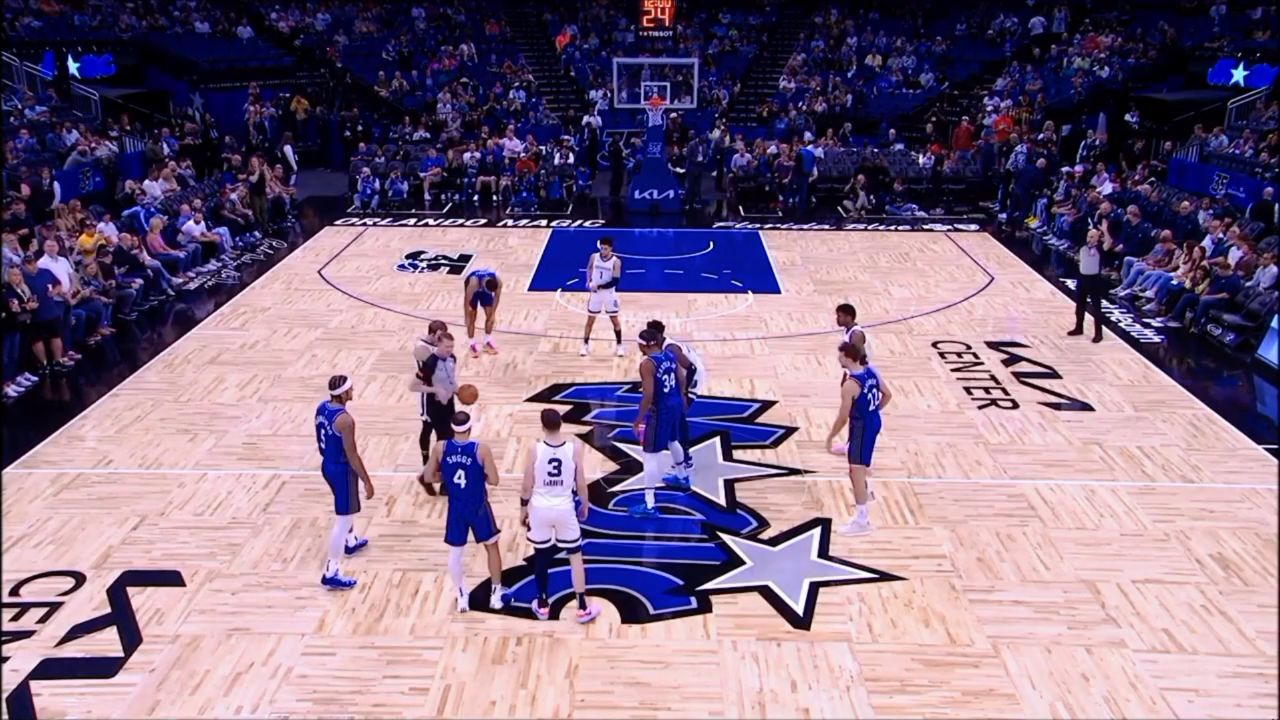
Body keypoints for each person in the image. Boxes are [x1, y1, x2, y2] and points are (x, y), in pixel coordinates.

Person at [520, 408, 600, 623]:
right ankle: (582, 607)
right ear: (560, 424)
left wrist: (523, 509)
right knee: (575, 556)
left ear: (543, 426)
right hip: (565, 508)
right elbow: (580, 482)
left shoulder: (534, 449)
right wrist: (585, 504)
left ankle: (542, 605)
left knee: (541, 556)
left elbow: (527, 485)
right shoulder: (574, 449)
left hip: (540, 509)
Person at [422, 410, 506, 613]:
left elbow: (428, 477)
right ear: (470, 427)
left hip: (456, 507)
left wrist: (445, 477)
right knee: (492, 547)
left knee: (455, 553)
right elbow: (494, 480)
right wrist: (478, 476)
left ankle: (461, 596)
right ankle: (495, 595)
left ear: (452, 428)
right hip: (478, 506)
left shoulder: (441, 448)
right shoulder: (481, 450)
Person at [823, 341, 891, 536]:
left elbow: (843, 417)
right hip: (873, 422)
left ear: (847, 357)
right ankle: (867, 493)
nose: (838, 358)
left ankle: (862, 521)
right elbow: (887, 395)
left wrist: (830, 437)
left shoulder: (850, 385)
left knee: (856, 472)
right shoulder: (871, 371)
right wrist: (872, 411)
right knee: (860, 466)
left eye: (840, 355)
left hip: (862, 428)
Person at [314, 374, 375, 590]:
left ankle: (350, 541)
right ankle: (331, 571)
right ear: (344, 393)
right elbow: (352, 454)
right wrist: (366, 480)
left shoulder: (322, 408)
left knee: (345, 508)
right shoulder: (346, 420)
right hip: (341, 470)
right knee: (343, 518)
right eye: (350, 389)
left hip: (327, 465)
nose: (353, 391)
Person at [629, 328, 691, 516]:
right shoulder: (670, 355)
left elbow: (648, 395)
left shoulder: (647, 364)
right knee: (673, 440)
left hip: (661, 410)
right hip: (675, 404)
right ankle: (682, 477)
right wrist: (681, 396)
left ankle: (649, 504)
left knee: (649, 455)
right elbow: (682, 378)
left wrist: (638, 420)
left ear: (643, 345)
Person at [646, 319, 703, 484]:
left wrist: (684, 393)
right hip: (683, 378)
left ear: (659, 335)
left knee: (679, 416)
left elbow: (692, 369)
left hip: (694, 378)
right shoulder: (660, 347)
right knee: (677, 415)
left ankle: (686, 459)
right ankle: (684, 457)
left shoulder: (670, 348)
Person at [409, 324, 456, 495]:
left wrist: (458, 391)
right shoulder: (428, 357)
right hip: (432, 403)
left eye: (451, 347)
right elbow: (414, 385)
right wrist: (436, 390)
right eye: (446, 346)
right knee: (442, 442)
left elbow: (450, 378)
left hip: (448, 402)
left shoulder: (451, 358)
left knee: (447, 442)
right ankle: (431, 475)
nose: (449, 350)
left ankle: (436, 479)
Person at [580, 237, 624, 356]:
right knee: (590, 320)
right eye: (602, 248)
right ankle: (585, 345)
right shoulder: (594, 257)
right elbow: (589, 268)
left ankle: (619, 346)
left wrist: (598, 286)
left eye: (605, 249)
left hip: (609, 294)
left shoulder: (616, 262)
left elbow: (615, 281)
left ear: (611, 249)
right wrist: (588, 281)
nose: (603, 251)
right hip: (596, 294)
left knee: (614, 320)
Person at [1069, 228, 1105, 342]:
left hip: (1094, 280)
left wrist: (1105, 230)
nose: (1089, 239)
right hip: (1082, 278)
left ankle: (1098, 333)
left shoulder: (1100, 248)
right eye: (1088, 236)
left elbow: (1108, 244)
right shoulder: (1082, 246)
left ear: (1098, 238)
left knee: (1096, 308)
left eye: (1092, 237)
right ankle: (1078, 328)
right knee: (1080, 305)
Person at [462, 267, 502, 358]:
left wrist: (493, 313)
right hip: (473, 291)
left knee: (490, 316)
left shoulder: (498, 280)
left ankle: (487, 341)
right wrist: (466, 315)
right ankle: (471, 344)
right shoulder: (473, 283)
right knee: (472, 317)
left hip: (484, 289)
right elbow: (467, 300)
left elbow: (497, 297)